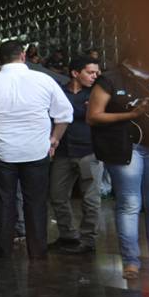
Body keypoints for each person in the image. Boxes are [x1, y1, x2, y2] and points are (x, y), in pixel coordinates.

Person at [0, 40, 73, 259]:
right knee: (36, 202)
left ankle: (3, 250)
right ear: (23, 56)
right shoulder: (44, 80)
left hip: (1, 152)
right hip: (36, 151)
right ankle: (37, 250)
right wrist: (54, 139)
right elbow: (64, 115)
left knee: (3, 201)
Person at [87, 54, 149, 279]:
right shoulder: (111, 79)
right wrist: (131, 114)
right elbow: (93, 116)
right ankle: (131, 261)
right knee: (130, 203)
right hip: (126, 147)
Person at [49, 56, 104, 254]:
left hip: (90, 151)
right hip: (63, 151)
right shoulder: (59, 92)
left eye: (97, 73)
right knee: (57, 196)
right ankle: (68, 236)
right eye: (90, 72)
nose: (95, 76)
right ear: (75, 73)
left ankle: (88, 240)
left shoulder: (98, 93)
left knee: (91, 199)